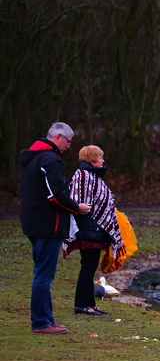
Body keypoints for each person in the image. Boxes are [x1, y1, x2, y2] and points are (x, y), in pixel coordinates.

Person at [19, 122, 91, 334]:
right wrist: (77, 207)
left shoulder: (31, 158)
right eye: (68, 142)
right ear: (58, 137)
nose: (68, 147)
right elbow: (56, 195)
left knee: (42, 272)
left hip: (33, 222)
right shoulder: (49, 159)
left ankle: (47, 319)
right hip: (48, 224)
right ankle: (41, 322)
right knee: (44, 275)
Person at [63, 145, 124, 316]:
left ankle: (89, 303)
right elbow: (79, 203)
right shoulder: (82, 176)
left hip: (95, 229)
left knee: (90, 267)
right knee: (88, 267)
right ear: (92, 160)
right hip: (88, 230)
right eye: (100, 157)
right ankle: (82, 305)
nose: (103, 160)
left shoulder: (93, 176)